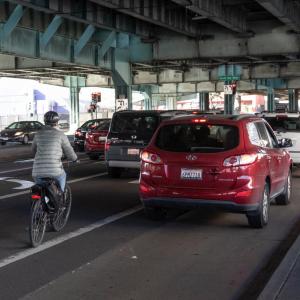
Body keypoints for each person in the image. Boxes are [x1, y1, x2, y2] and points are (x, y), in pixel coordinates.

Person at [32, 111, 78, 192]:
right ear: (57, 122)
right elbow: (69, 151)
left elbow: (33, 150)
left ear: (44, 122)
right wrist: (75, 159)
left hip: (37, 172)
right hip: (55, 172)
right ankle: (60, 198)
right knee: (62, 177)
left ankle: (39, 202)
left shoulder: (38, 134)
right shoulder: (60, 135)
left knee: (40, 190)